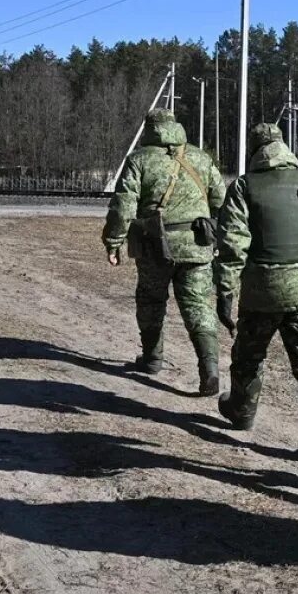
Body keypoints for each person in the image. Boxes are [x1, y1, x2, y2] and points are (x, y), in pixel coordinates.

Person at [213, 121, 298, 453]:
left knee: (249, 355)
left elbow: (233, 244)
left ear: (254, 150)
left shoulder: (244, 186)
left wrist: (225, 291)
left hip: (260, 291)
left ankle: (242, 411)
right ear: (283, 146)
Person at [102, 109, 226, 395]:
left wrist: (114, 241)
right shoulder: (200, 158)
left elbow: (123, 206)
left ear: (150, 130)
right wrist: (215, 234)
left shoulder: (139, 160)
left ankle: (152, 359)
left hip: (154, 244)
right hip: (197, 245)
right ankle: (210, 370)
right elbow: (221, 199)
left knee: (150, 300)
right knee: (198, 307)